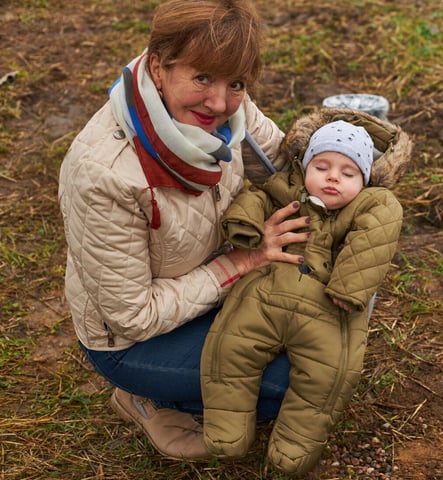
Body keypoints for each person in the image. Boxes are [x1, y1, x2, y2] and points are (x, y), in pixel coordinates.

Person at [57, 0, 309, 461]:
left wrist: (345, 158)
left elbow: (280, 166)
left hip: (212, 288)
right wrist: (244, 262)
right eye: (202, 79)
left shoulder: (229, 110)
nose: (219, 102)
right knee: (294, 381)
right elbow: (133, 316)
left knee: (326, 338)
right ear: (158, 67)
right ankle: (147, 398)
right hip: (132, 339)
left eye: (236, 83)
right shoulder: (104, 173)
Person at [200, 113, 411, 476]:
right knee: (229, 349)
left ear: (365, 180)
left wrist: (349, 287)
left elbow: (377, 235)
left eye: (348, 173)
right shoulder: (283, 190)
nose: (333, 177)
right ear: (304, 165)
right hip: (265, 294)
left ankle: (293, 448)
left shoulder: (370, 204)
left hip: (329, 306)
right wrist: (246, 226)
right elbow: (254, 197)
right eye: (322, 165)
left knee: (326, 378)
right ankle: (226, 431)